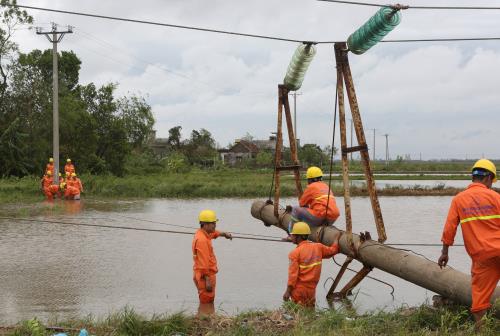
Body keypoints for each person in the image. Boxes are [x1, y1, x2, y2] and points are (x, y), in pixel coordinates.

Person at [438, 159, 500, 330]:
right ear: (488, 177)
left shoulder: (459, 200)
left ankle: (481, 332)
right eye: (491, 181)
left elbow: (449, 228)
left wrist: (445, 252)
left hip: (482, 257)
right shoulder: (496, 197)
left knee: (479, 300)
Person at [283, 222, 341, 307]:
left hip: (299, 290)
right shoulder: (318, 247)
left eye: (292, 235)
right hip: (311, 290)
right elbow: (332, 251)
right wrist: (336, 239)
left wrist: (287, 292)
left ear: (298, 237)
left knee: (298, 314)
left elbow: (293, 276)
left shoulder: (294, 253)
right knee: (310, 313)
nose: (291, 237)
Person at [192, 209, 232, 315]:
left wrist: (224, 234)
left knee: (206, 301)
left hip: (202, 273)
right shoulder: (202, 240)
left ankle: (204, 315)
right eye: (213, 223)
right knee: (207, 301)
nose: (215, 225)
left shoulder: (203, 234)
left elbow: (214, 234)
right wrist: (207, 279)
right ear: (205, 224)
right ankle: (205, 321)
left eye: (215, 223)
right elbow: (203, 263)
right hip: (206, 275)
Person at [287, 166, 340, 234]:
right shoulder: (326, 186)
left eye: (308, 180)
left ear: (311, 179)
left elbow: (302, 204)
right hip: (333, 217)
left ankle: (291, 234)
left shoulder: (311, 187)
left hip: (320, 216)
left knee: (295, 209)